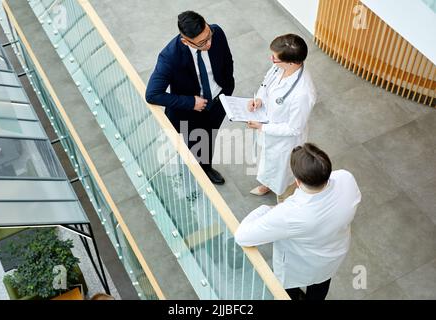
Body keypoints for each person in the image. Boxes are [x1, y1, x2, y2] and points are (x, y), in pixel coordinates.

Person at [235, 143, 361, 300]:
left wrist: (266, 209)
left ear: (298, 181)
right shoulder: (346, 178)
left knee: (289, 291)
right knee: (321, 286)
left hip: (299, 265)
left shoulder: (290, 214)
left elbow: (242, 236)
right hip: (332, 255)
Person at [145, 11, 234, 185]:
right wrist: (191, 102)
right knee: (192, 146)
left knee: (209, 137)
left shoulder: (217, 32)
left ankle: (206, 168)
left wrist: (227, 89)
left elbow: (227, 60)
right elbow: (153, 94)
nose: (208, 44)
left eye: (208, 36)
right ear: (186, 41)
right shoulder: (169, 57)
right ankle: (190, 176)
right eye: (202, 43)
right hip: (189, 113)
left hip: (218, 103)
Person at [246, 34, 316, 202]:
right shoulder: (279, 67)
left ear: (291, 62)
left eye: (275, 58)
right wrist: (260, 99)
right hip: (268, 129)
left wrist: (262, 127)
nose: (272, 60)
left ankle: (283, 200)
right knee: (266, 163)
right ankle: (266, 185)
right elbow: (266, 83)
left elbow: (294, 128)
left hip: (284, 142)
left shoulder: (303, 93)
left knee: (282, 175)